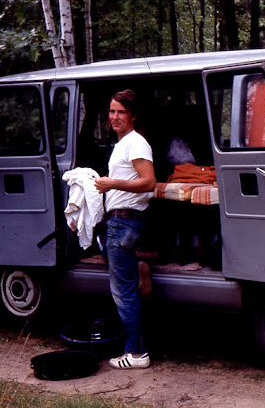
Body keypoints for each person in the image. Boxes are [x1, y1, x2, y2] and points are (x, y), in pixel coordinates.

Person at [94, 89, 155, 369]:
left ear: (133, 115)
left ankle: (136, 354)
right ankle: (138, 266)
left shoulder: (136, 143)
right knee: (115, 266)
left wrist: (111, 183)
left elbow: (148, 182)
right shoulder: (122, 143)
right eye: (111, 111)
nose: (115, 117)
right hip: (119, 220)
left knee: (123, 292)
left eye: (121, 112)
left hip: (124, 220)